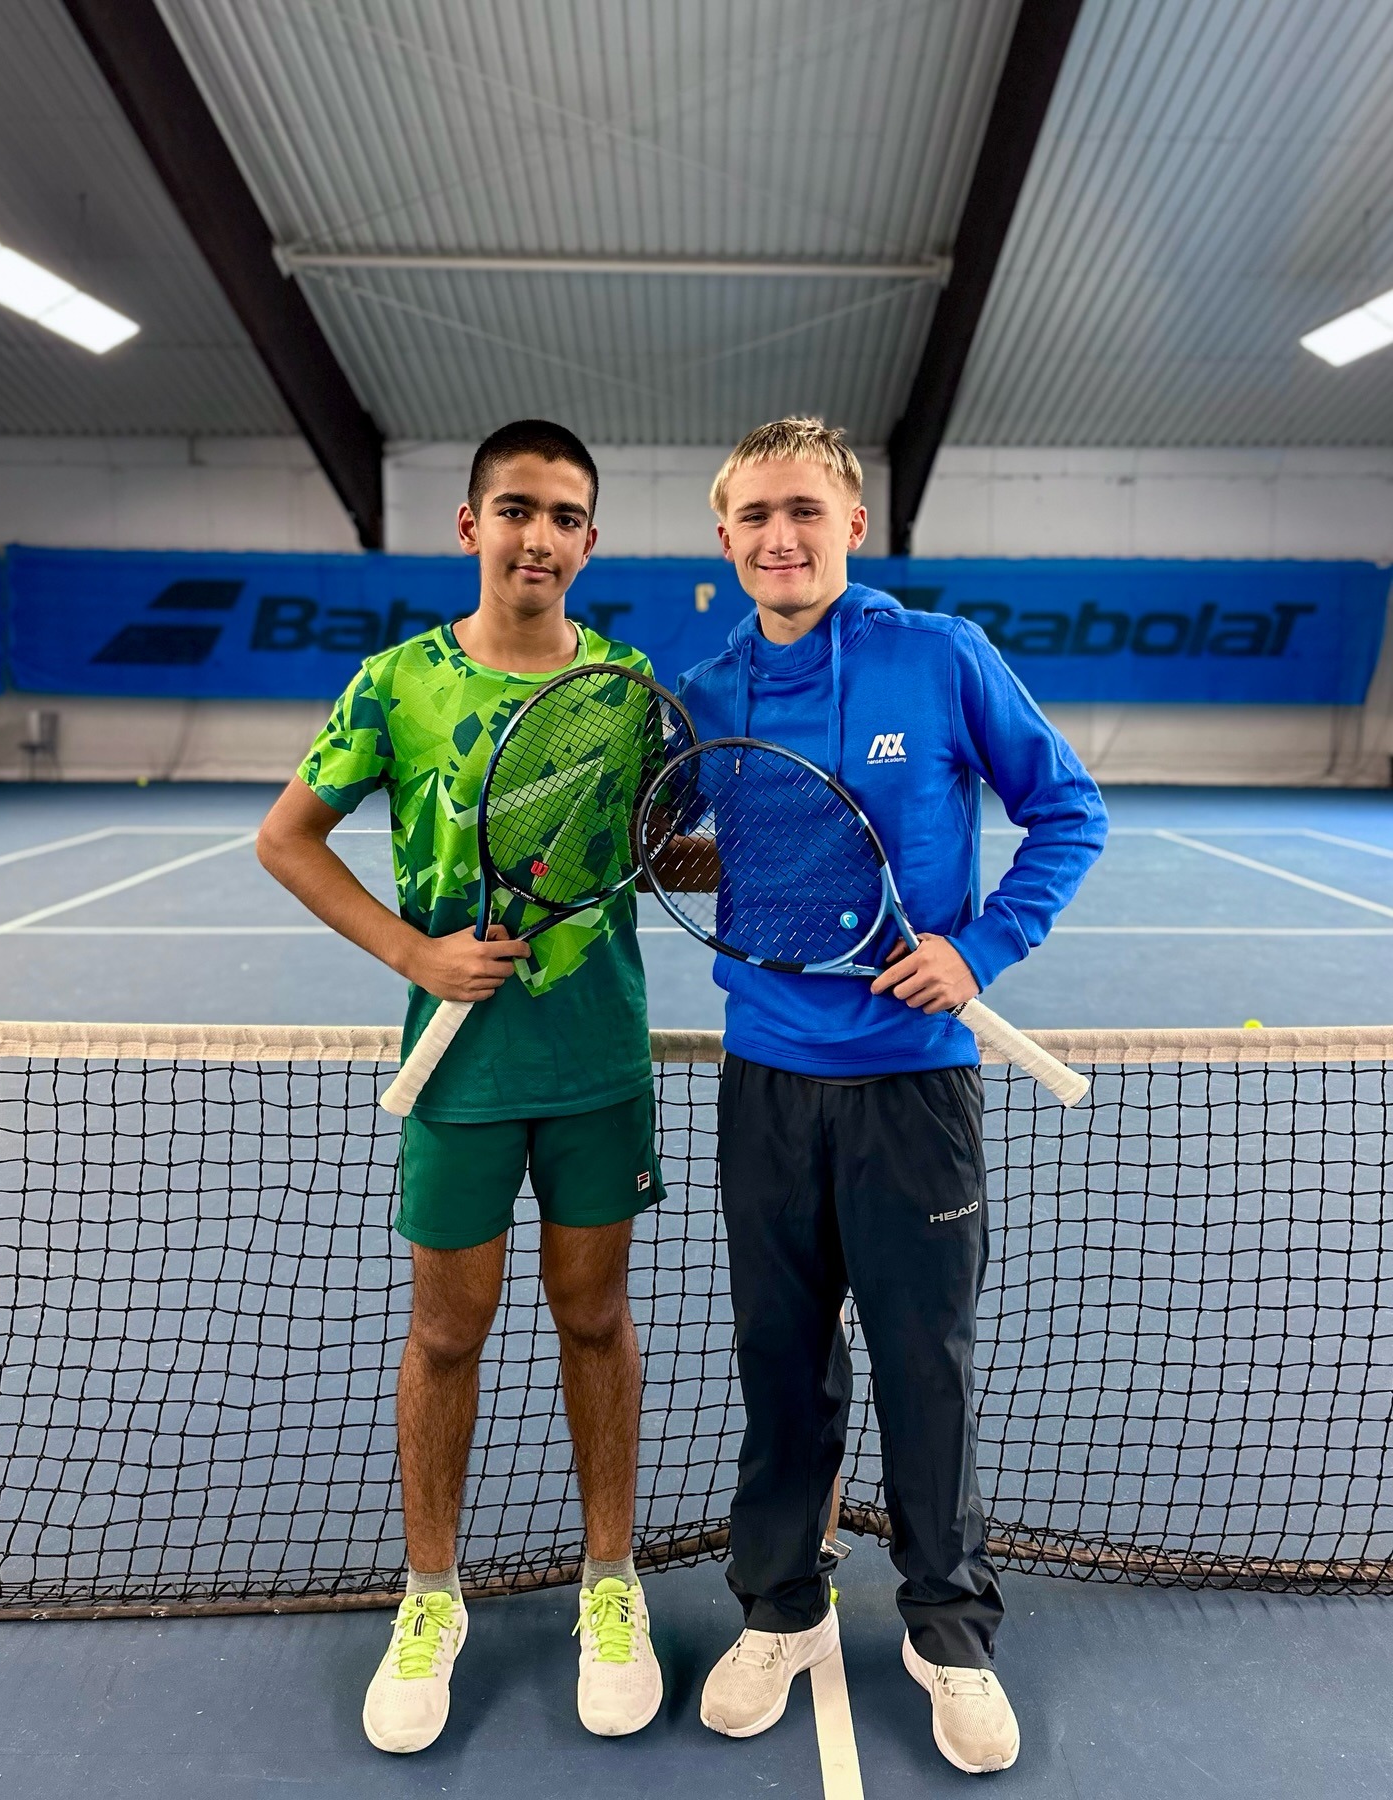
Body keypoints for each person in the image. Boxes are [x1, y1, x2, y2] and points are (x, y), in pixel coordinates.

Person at [677, 417, 1107, 1776]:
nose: (779, 537)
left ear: (853, 524)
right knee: (778, 1362)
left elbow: (1070, 811)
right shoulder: (705, 685)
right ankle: (781, 1607)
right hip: (765, 1082)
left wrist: (976, 950)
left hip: (914, 1092)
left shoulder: (942, 657)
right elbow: (701, 847)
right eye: (752, 516)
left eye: (803, 510)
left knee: (927, 1365)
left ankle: (946, 1625)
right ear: (726, 536)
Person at [257, 420, 664, 1753]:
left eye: (564, 515)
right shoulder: (398, 684)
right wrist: (413, 950)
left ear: (590, 541)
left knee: (592, 1313)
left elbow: (657, 846)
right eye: (515, 509)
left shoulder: (628, 684)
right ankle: (430, 1594)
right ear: (469, 525)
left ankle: (612, 1583)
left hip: (599, 1058)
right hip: (458, 1074)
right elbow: (288, 839)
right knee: (449, 1328)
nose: (538, 535)